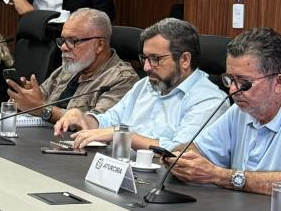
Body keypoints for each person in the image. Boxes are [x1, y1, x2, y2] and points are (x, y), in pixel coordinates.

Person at [54, 18, 226, 151]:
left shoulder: (209, 100)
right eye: (145, 58)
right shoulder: (145, 85)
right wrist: (83, 118)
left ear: (185, 60)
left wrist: (123, 135)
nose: (146, 67)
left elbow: (179, 153)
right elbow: (109, 121)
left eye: (155, 59)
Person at [170, 28, 281, 194]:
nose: (232, 90)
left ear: (278, 82)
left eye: (244, 82)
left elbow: (215, 174)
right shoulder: (239, 111)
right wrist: (181, 159)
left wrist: (220, 176)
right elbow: (197, 149)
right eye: (230, 79)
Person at [6, 8, 137, 123]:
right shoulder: (70, 67)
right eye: (62, 40)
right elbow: (40, 99)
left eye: (73, 41)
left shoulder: (123, 80)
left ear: (100, 45)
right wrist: (27, 96)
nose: (63, 47)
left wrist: (42, 109)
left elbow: (95, 124)